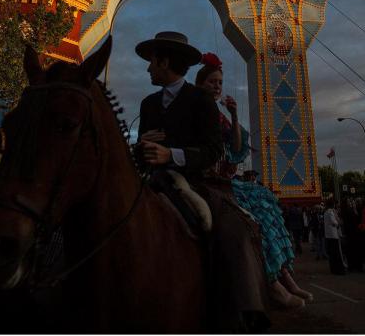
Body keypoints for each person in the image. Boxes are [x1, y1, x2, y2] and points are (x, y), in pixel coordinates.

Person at [134, 31, 268, 331]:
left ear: (165, 62)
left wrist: (172, 154)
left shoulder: (201, 101)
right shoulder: (148, 104)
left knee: (233, 229)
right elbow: (142, 152)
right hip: (154, 182)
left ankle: (245, 310)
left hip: (197, 183)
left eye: (152, 62)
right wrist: (140, 146)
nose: (148, 69)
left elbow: (213, 150)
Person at [194, 52, 312, 308]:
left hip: (225, 180)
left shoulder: (219, 114)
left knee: (267, 209)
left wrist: (234, 115)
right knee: (252, 220)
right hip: (206, 179)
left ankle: (284, 277)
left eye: (219, 83)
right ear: (200, 83)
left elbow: (236, 147)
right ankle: (272, 285)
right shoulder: (196, 108)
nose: (216, 86)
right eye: (212, 81)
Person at [323, 198, 347, 275]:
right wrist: (338, 223)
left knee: (332, 254)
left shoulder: (326, 212)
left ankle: (333, 268)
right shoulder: (330, 212)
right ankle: (338, 269)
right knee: (336, 253)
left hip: (328, 235)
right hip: (333, 235)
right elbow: (333, 222)